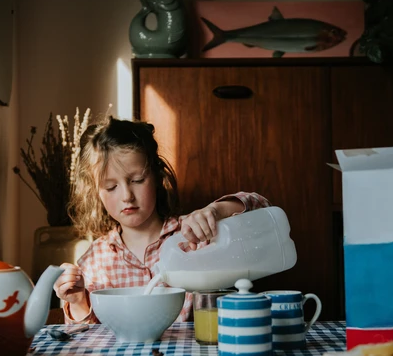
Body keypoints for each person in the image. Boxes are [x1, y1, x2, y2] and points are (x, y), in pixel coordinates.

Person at [53, 117, 271, 324]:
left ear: (157, 177)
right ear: (96, 192)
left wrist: (217, 211)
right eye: (111, 187)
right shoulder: (94, 262)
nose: (127, 196)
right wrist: (78, 300)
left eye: (137, 180)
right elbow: (87, 340)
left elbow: (265, 211)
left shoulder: (195, 235)